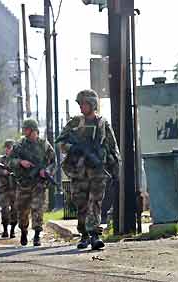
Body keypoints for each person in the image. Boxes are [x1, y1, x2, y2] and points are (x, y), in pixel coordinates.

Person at [57, 89, 119, 250]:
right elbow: (60, 143)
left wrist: (115, 169)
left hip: (98, 171)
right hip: (78, 171)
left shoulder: (102, 123)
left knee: (95, 202)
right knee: (81, 204)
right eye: (80, 104)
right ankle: (84, 235)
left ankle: (95, 235)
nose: (81, 107)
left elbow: (113, 147)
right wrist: (72, 148)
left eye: (84, 104)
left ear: (92, 104)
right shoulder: (75, 123)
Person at [8, 119, 56, 246]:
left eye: (26, 129)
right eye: (24, 129)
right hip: (23, 183)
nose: (24, 131)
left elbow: (53, 162)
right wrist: (20, 162)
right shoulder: (19, 145)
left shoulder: (44, 145)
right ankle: (24, 231)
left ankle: (37, 235)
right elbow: (9, 161)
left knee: (37, 207)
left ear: (33, 130)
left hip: (39, 183)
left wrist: (46, 171)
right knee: (22, 210)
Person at [0, 139, 17, 238]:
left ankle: (12, 230)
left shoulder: (17, 159)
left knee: (15, 210)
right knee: (5, 210)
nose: (7, 150)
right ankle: (5, 229)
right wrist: (3, 172)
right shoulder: (1, 160)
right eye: (6, 148)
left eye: (9, 147)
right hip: (4, 189)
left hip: (15, 189)